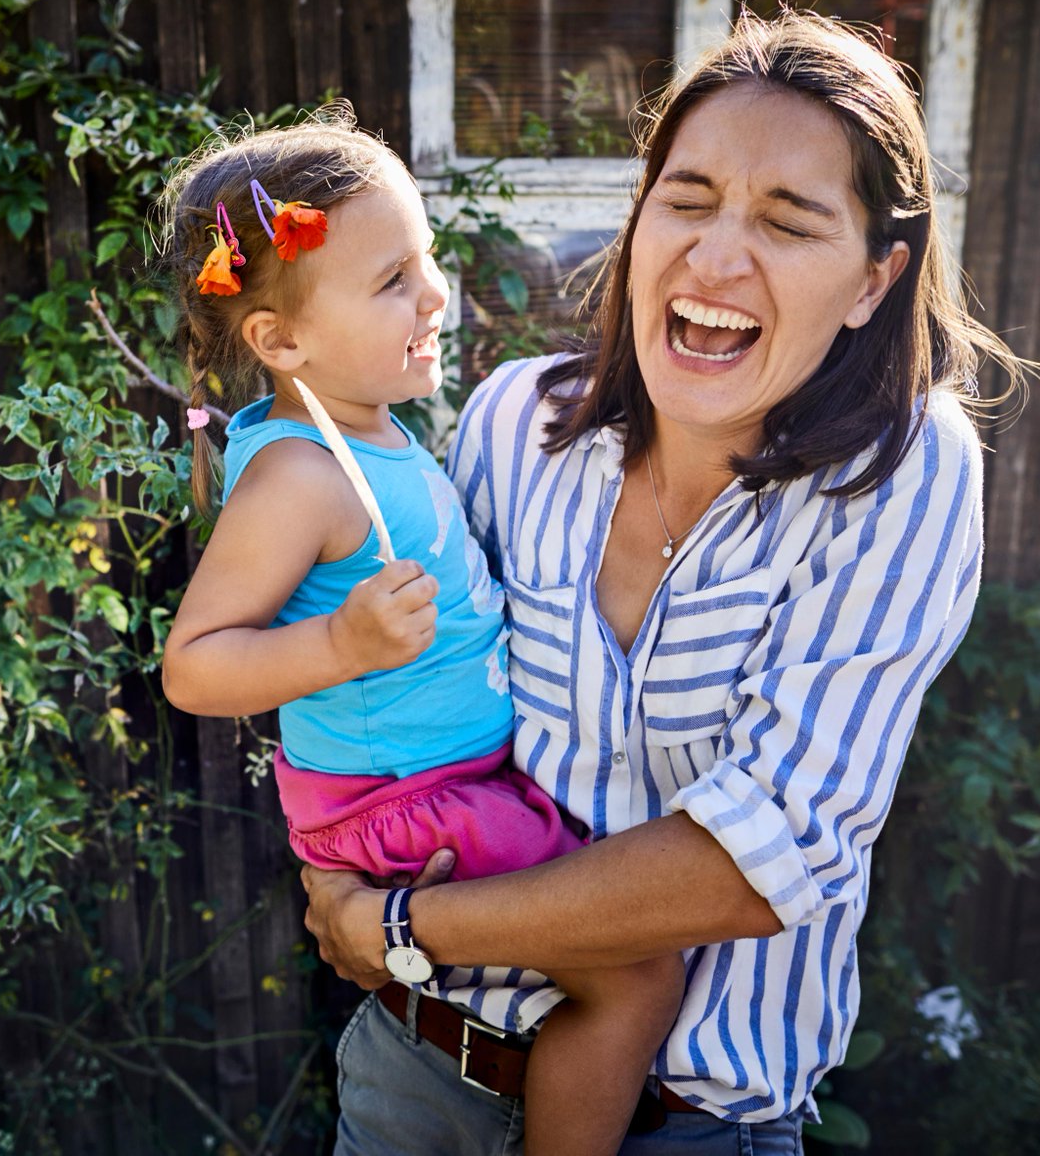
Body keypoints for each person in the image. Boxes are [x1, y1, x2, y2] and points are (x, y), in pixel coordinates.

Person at [299, 9, 1025, 1155]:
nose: (716, 257)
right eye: (686, 201)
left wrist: (401, 923)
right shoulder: (510, 427)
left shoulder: (902, 472)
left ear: (874, 280)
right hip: (418, 1079)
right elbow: (407, 692)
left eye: (789, 222)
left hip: (688, 1128)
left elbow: (761, 854)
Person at [158, 115, 685, 1156]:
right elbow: (194, 666)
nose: (435, 294)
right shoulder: (299, 474)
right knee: (637, 977)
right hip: (404, 806)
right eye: (394, 278)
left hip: (443, 787)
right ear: (280, 340)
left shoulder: (375, 431)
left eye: (427, 259)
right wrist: (339, 648)